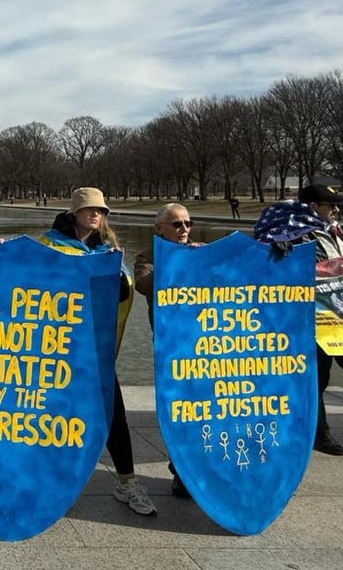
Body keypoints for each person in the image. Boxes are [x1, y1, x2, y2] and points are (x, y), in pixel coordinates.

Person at [40, 187, 156, 516]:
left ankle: (128, 482)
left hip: (94, 350)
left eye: (101, 210)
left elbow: (123, 295)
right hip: (58, 350)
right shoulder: (49, 245)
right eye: (90, 209)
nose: (96, 214)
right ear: (74, 212)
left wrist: (117, 278)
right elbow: (25, 280)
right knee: (51, 417)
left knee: (113, 415)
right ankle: (43, 480)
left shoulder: (108, 249)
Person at [254, 182, 343, 455]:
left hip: (342, 312)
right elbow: (268, 267)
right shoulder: (288, 231)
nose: (337, 210)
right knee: (316, 375)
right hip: (308, 316)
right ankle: (319, 433)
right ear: (314, 206)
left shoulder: (332, 230)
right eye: (332, 206)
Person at [133, 203, 200, 499]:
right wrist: (174, 260)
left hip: (207, 345)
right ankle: (181, 472)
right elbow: (143, 285)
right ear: (159, 229)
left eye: (187, 223)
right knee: (181, 410)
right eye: (177, 224)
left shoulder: (204, 251)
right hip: (173, 347)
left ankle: (203, 470)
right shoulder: (148, 256)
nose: (184, 229)